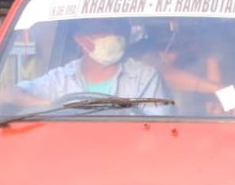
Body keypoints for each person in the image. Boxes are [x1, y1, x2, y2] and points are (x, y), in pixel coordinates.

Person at [9, 17, 171, 114]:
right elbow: (10, 94)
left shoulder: (143, 77)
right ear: (81, 39)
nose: (115, 36)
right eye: (105, 30)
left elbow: (159, 128)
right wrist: (52, 106)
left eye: (119, 30)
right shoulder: (61, 79)